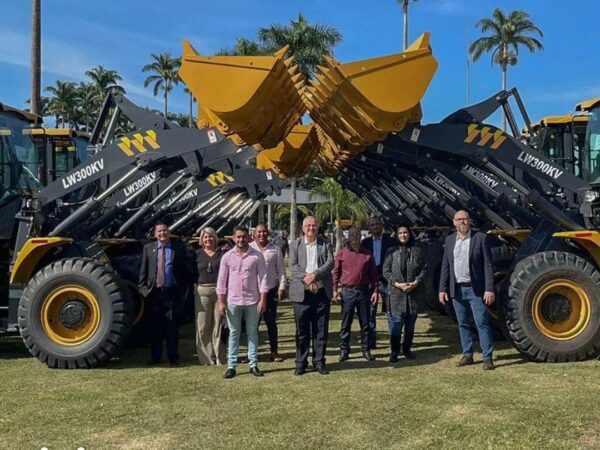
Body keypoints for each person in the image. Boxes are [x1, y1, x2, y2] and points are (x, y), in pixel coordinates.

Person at [438, 210, 496, 370]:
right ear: (454, 222)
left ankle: (487, 358)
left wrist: (489, 288)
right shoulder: (449, 241)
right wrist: (442, 289)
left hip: (476, 289)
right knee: (462, 324)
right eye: (459, 219)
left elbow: (488, 265)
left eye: (465, 219)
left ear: (469, 221)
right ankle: (468, 355)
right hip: (457, 290)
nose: (462, 222)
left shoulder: (480, 238)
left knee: (482, 323)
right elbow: (445, 266)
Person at [138, 221, 195, 366]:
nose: (162, 233)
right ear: (155, 234)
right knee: (155, 327)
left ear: (169, 232)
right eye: (159, 231)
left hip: (172, 294)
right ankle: (155, 357)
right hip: (154, 294)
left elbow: (184, 271)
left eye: (164, 231)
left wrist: (181, 291)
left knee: (172, 327)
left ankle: (173, 357)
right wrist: (144, 291)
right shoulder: (148, 248)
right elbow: (143, 272)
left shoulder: (178, 248)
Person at [217, 226, 269, 379]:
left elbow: (263, 279)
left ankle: (253, 364)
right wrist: (221, 302)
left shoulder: (257, 256)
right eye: (238, 237)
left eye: (244, 237)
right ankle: (231, 366)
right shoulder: (227, 257)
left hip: (252, 300)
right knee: (234, 333)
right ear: (233, 238)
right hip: (233, 301)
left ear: (249, 237)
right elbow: (221, 281)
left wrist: (263, 299)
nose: (241, 239)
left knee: (253, 332)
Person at [288, 216, 334, 375]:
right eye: (308, 225)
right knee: (302, 331)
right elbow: (293, 266)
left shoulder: (325, 243)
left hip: (321, 293)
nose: (311, 228)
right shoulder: (295, 244)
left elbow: (330, 263)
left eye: (314, 225)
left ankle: (319, 361)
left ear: (318, 227)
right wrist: (308, 280)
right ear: (302, 227)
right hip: (302, 294)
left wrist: (315, 275)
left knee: (320, 330)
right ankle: (301, 362)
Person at [332, 226, 379, 362]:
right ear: (348, 236)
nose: (354, 237)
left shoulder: (368, 254)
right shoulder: (342, 253)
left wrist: (375, 291)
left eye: (357, 235)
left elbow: (374, 275)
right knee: (346, 323)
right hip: (347, 292)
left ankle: (366, 349)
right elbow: (336, 273)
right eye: (351, 235)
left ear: (360, 236)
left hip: (364, 291)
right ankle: (344, 350)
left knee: (365, 324)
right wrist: (335, 290)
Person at [383, 225, 427, 363]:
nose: (403, 235)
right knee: (396, 325)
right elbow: (386, 271)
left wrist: (416, 282)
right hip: (396, 294)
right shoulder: (391, 251)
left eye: (405, 232)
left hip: (412, 294)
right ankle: (394, 351)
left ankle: (407, 349)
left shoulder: (417, 250)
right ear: (396, 235)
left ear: (409, 234)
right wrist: (396, 283)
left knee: (410, 326)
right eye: (400, 233)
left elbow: (424, 269)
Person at [250, 223, 286, 362]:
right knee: (253, 325)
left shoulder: (275, 249)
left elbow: (281, 271)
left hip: (270, 292)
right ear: (254, 234)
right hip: (252, 293)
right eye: (259, 232)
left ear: (268, 233)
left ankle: (274, 351)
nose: (261, 234)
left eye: (264, 232)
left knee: (271, 323)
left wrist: (281, 288)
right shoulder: (249, 248)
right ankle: (252, 353)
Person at [362, 216, 397, 349]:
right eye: (372, 225)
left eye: (377, 224)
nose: (375, 227)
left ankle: (394, 342)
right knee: (371, 313)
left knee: (391, 312)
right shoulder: (365, 243)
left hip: (387, 280)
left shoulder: (391, 241)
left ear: (381, 226)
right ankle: (371, 342)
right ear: (369, 228)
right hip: (371, 281)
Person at [194, 227, 227, 365]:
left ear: (215, 238)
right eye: (205, 237)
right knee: (202, 326)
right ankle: (206, 358)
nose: (208, 239)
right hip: (202, 292)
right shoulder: (196, 254)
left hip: (219, 292)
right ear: (202, 240)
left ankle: (219, 356)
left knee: (218, 325)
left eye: (210, 236)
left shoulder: (223, 253)